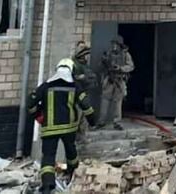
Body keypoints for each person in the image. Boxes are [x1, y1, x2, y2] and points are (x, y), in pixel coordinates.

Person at [28, 58, 96, 194]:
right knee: (71, 152)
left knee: (48, 156)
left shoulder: (45, 86)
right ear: (71, 71)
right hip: (69, 128)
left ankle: (47, 186)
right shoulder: (75, 86)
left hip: (49, 129)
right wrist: (92, 121)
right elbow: (86, 106)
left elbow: (31, 104)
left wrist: (38, 116)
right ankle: (72, 175)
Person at [99, 36, 134, 130]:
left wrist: (120, 68)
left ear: (120, 45)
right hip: (109, 79)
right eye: (113, 44)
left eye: (116, 44)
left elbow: (131, 66)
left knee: (118, 102)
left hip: (119, 80)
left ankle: (117, 122)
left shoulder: (125, 55)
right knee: (105, 100)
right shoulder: (108, 53)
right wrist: (105, 63)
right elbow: (101, 67)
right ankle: (101, 121)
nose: (114, 46)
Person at [72, 41, 97, 141]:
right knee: (77, 116)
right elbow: (73, 78)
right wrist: (80, 77)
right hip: (77, 94)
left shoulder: (85, 64)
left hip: (85, 93)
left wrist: (88, 77)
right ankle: (73, 139)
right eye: (81, 48)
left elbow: (90, 76)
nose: (86, 55)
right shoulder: (74, 64)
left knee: (84, 117)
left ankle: (82, 137)